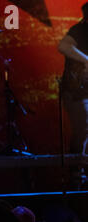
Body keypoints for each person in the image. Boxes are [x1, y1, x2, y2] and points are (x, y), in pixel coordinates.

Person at [59, 2, 88, 157]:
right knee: (83, 129)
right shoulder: (80, 30)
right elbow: (63, 46)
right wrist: (86, 60)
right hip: (77, 91)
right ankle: (76, 174)